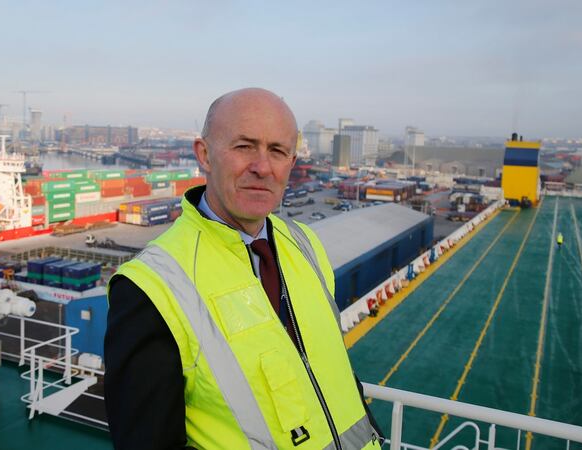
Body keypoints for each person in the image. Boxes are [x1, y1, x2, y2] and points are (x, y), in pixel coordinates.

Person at [104, 88, 382, 450]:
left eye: (277, 151)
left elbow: (330, 365)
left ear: (291, 163)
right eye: (244, 146)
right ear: (204, 154)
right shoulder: (153, 286)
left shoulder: (306, 244)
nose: (263, 167)